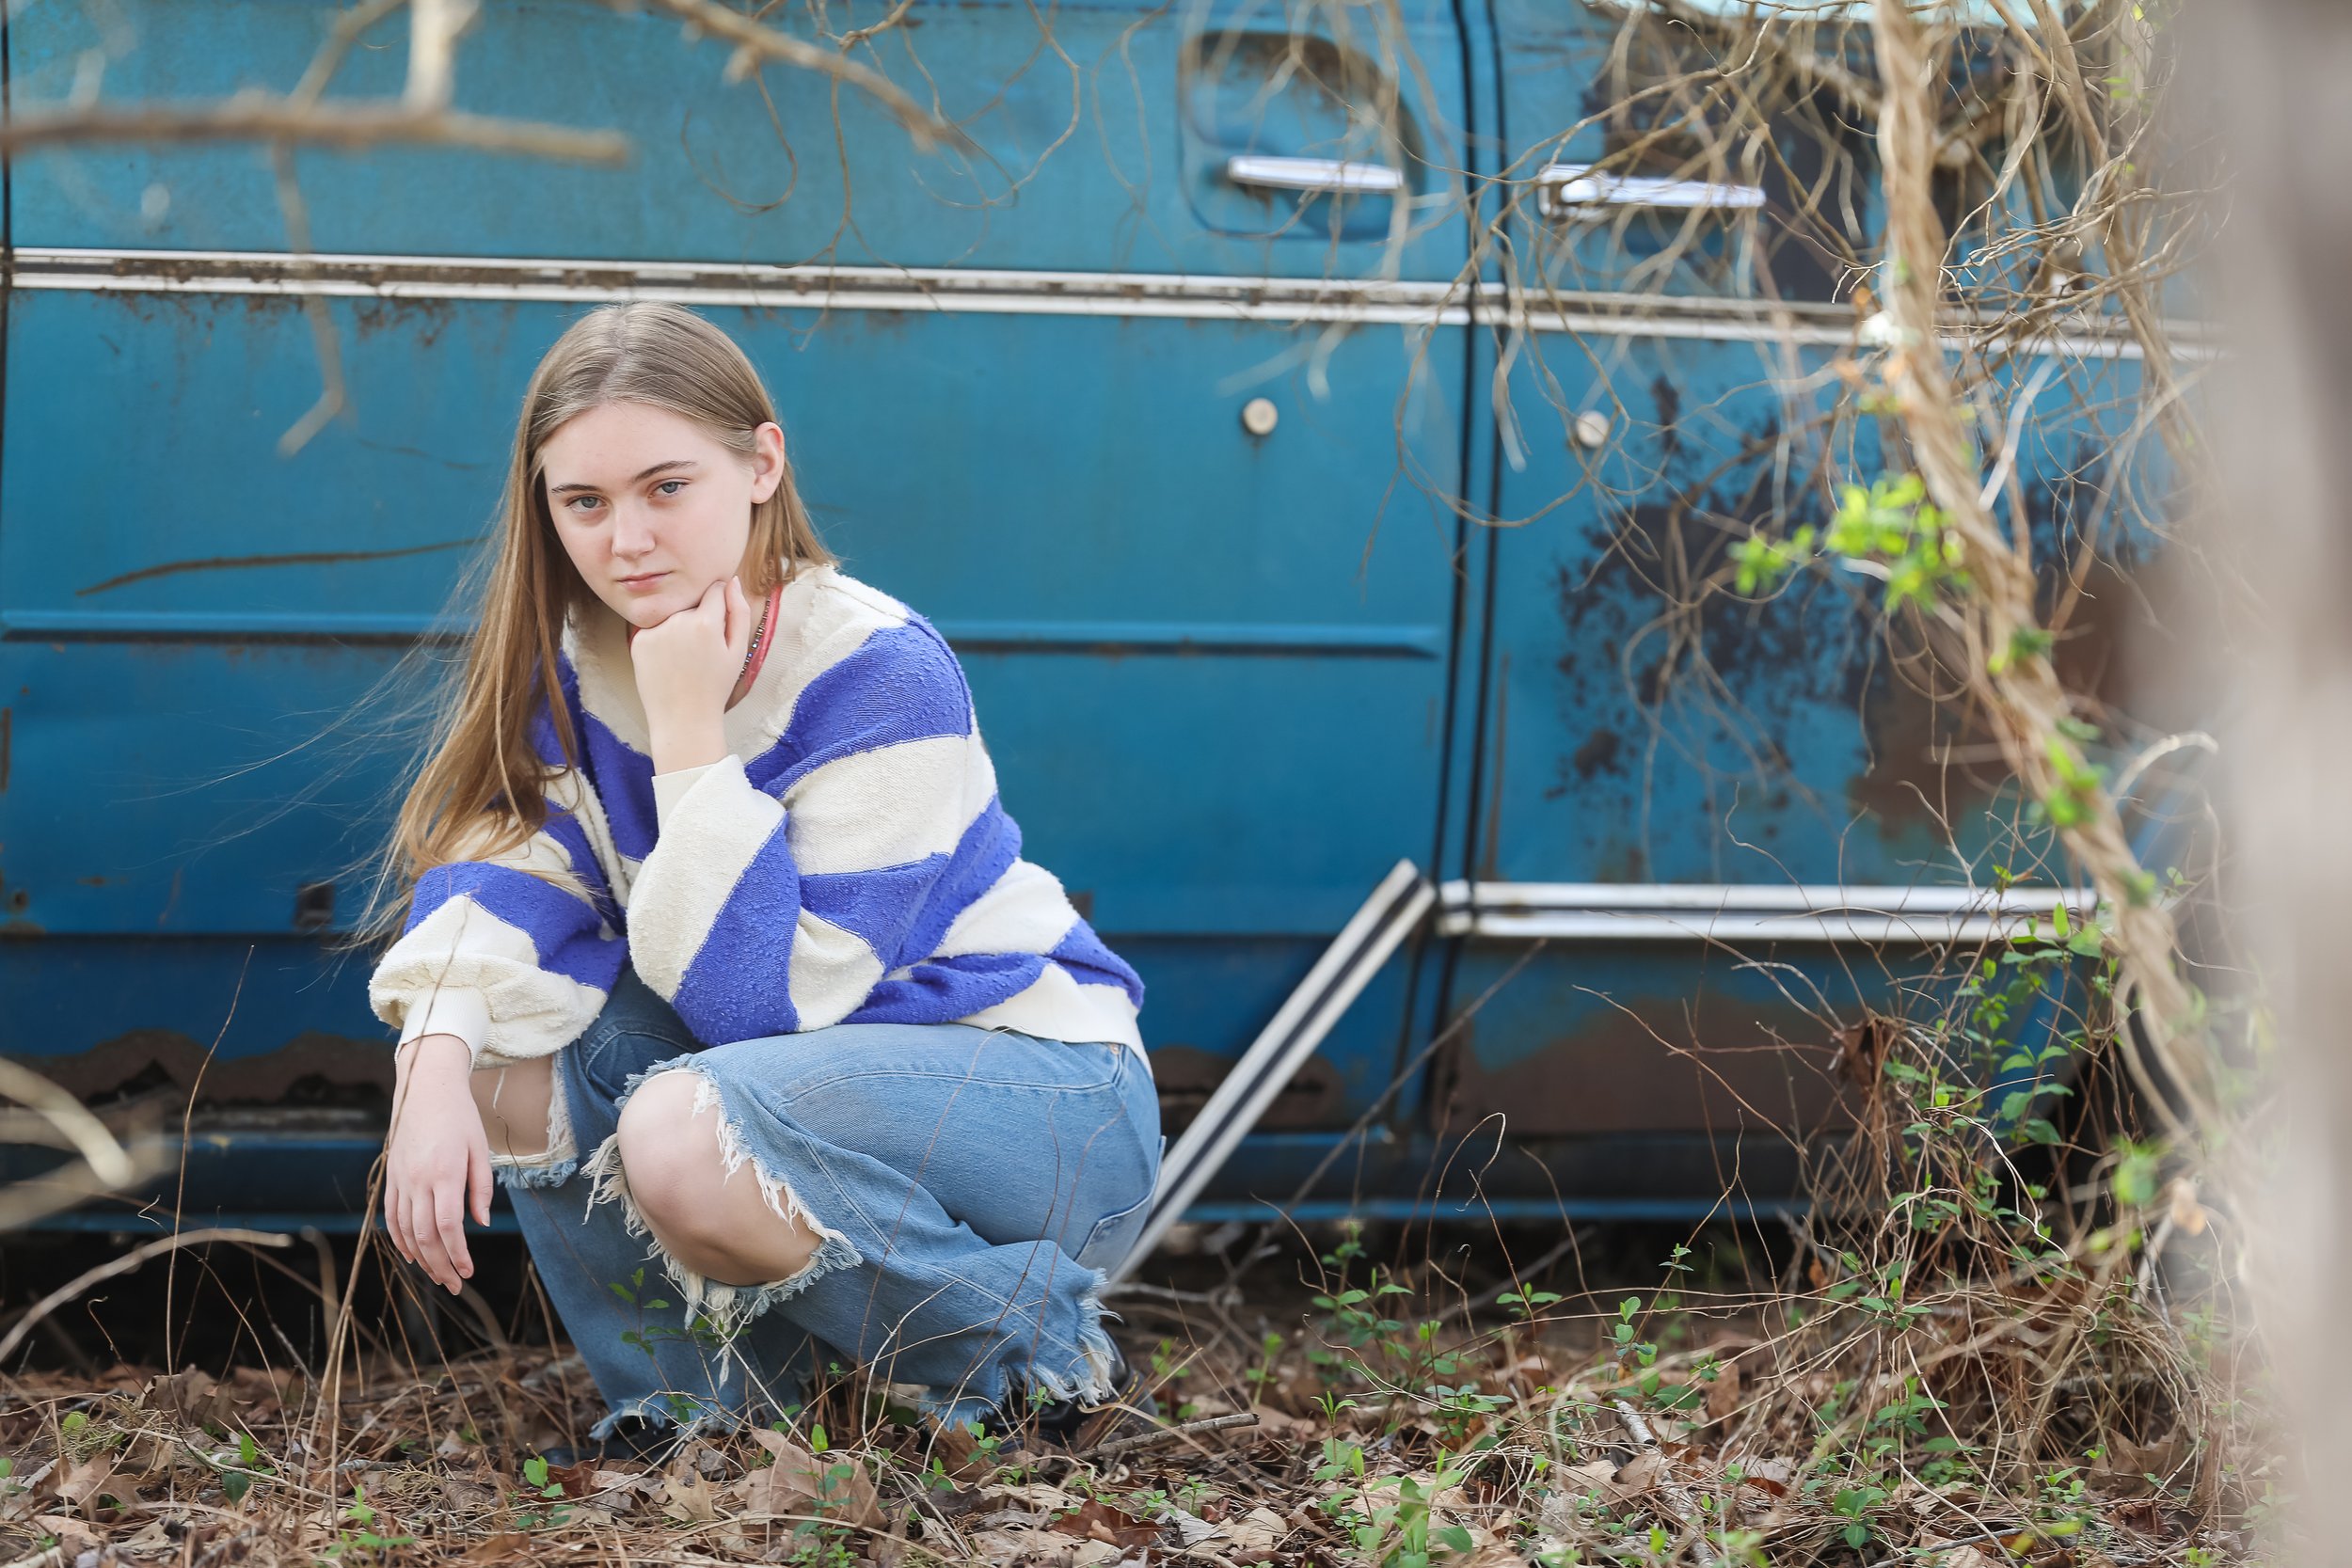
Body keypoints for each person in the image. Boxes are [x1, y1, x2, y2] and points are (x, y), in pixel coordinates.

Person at [361, 300, 1161, 1463]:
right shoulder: (575, 663)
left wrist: (689, 732)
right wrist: (429, 1062)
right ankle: (703, 1411)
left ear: (760, 464)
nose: (626, 539)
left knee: (681, 1131)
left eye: (665, 486)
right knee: (500, 1052)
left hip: (1037, 1095)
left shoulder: (877, 668)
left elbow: (769, 1005)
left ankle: (1035, 1348)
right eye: (584, 502)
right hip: (796, 1098)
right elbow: (509, 869)